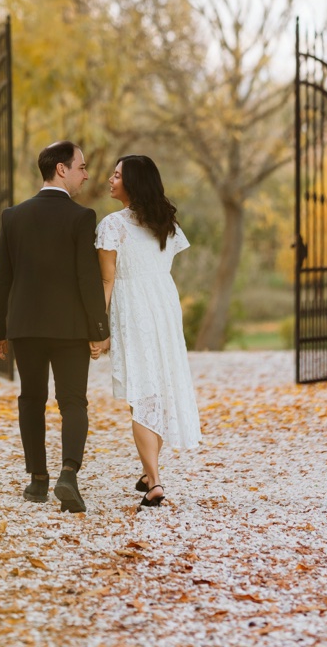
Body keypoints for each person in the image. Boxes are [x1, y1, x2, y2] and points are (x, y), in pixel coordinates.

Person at [0, 140, 110, 513]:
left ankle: (37, 480)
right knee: (73, 402)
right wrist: (99, 329)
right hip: (70, 328)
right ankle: (68, 474)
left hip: (25, 326)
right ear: (61, 169)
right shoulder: (81, 217)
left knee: (31, 400)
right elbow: (88, 279)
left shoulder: (13, 216)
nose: (85, 174)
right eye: (81, 167)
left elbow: (0, 278)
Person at [96, 154, 201, 509]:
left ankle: (154, 480)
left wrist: (98, 325)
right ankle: (148, 473)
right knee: (155, 387)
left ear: (133, 182)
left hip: (134, 306)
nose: (110, 179)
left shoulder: (112, 225)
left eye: (117, 175)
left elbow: (107, 279)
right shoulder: (166, 223)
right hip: (164, 305)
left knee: (142, 392)